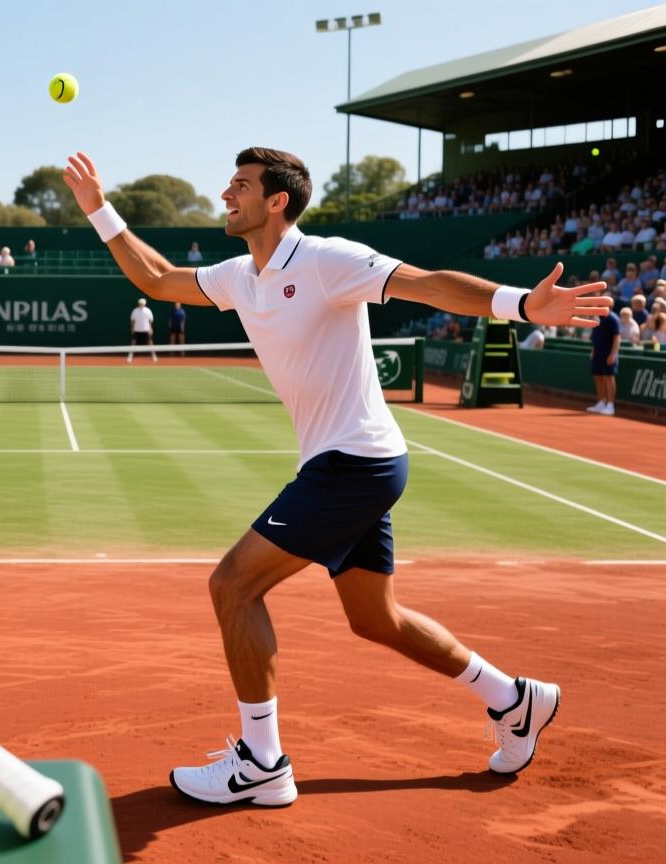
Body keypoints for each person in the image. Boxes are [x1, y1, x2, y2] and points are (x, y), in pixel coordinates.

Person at [63, 148, 611, 807]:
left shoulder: (327, 261)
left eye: (240, 185)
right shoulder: (241, 275)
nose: (225, 193)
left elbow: (429, 282)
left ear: (277, 202)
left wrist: (520, 304)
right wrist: (99, 208)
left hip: (354, 463)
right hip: (353, 463)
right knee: (375, 619)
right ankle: (514, 699)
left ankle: (262, 762)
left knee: (233, 587)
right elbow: (157, 278)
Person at [587, 305, 621, 415]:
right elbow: (595, 337)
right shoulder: (597, 318)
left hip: (608, 353)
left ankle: (610, 405)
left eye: (601, 305)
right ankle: (601, 402)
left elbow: (617, 338)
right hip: (597, 352)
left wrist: (613, 354)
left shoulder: (613, 319)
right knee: (597, 376)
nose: (598, 307)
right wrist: (593, 350)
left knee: (608, 377)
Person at [127, 297, 156, 363]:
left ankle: (153, 355)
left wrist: (151, 328)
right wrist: (132, 328)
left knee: (150, 342)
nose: (141, 304)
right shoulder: (135, 311)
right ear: (138, 303)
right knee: (133, 342)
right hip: (137, 330)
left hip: (146, 330)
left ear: (145, 304)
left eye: (143, 303)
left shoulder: (148, 311)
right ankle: (130, 356)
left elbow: (150, 321)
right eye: (140, 303)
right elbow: (132, 321)